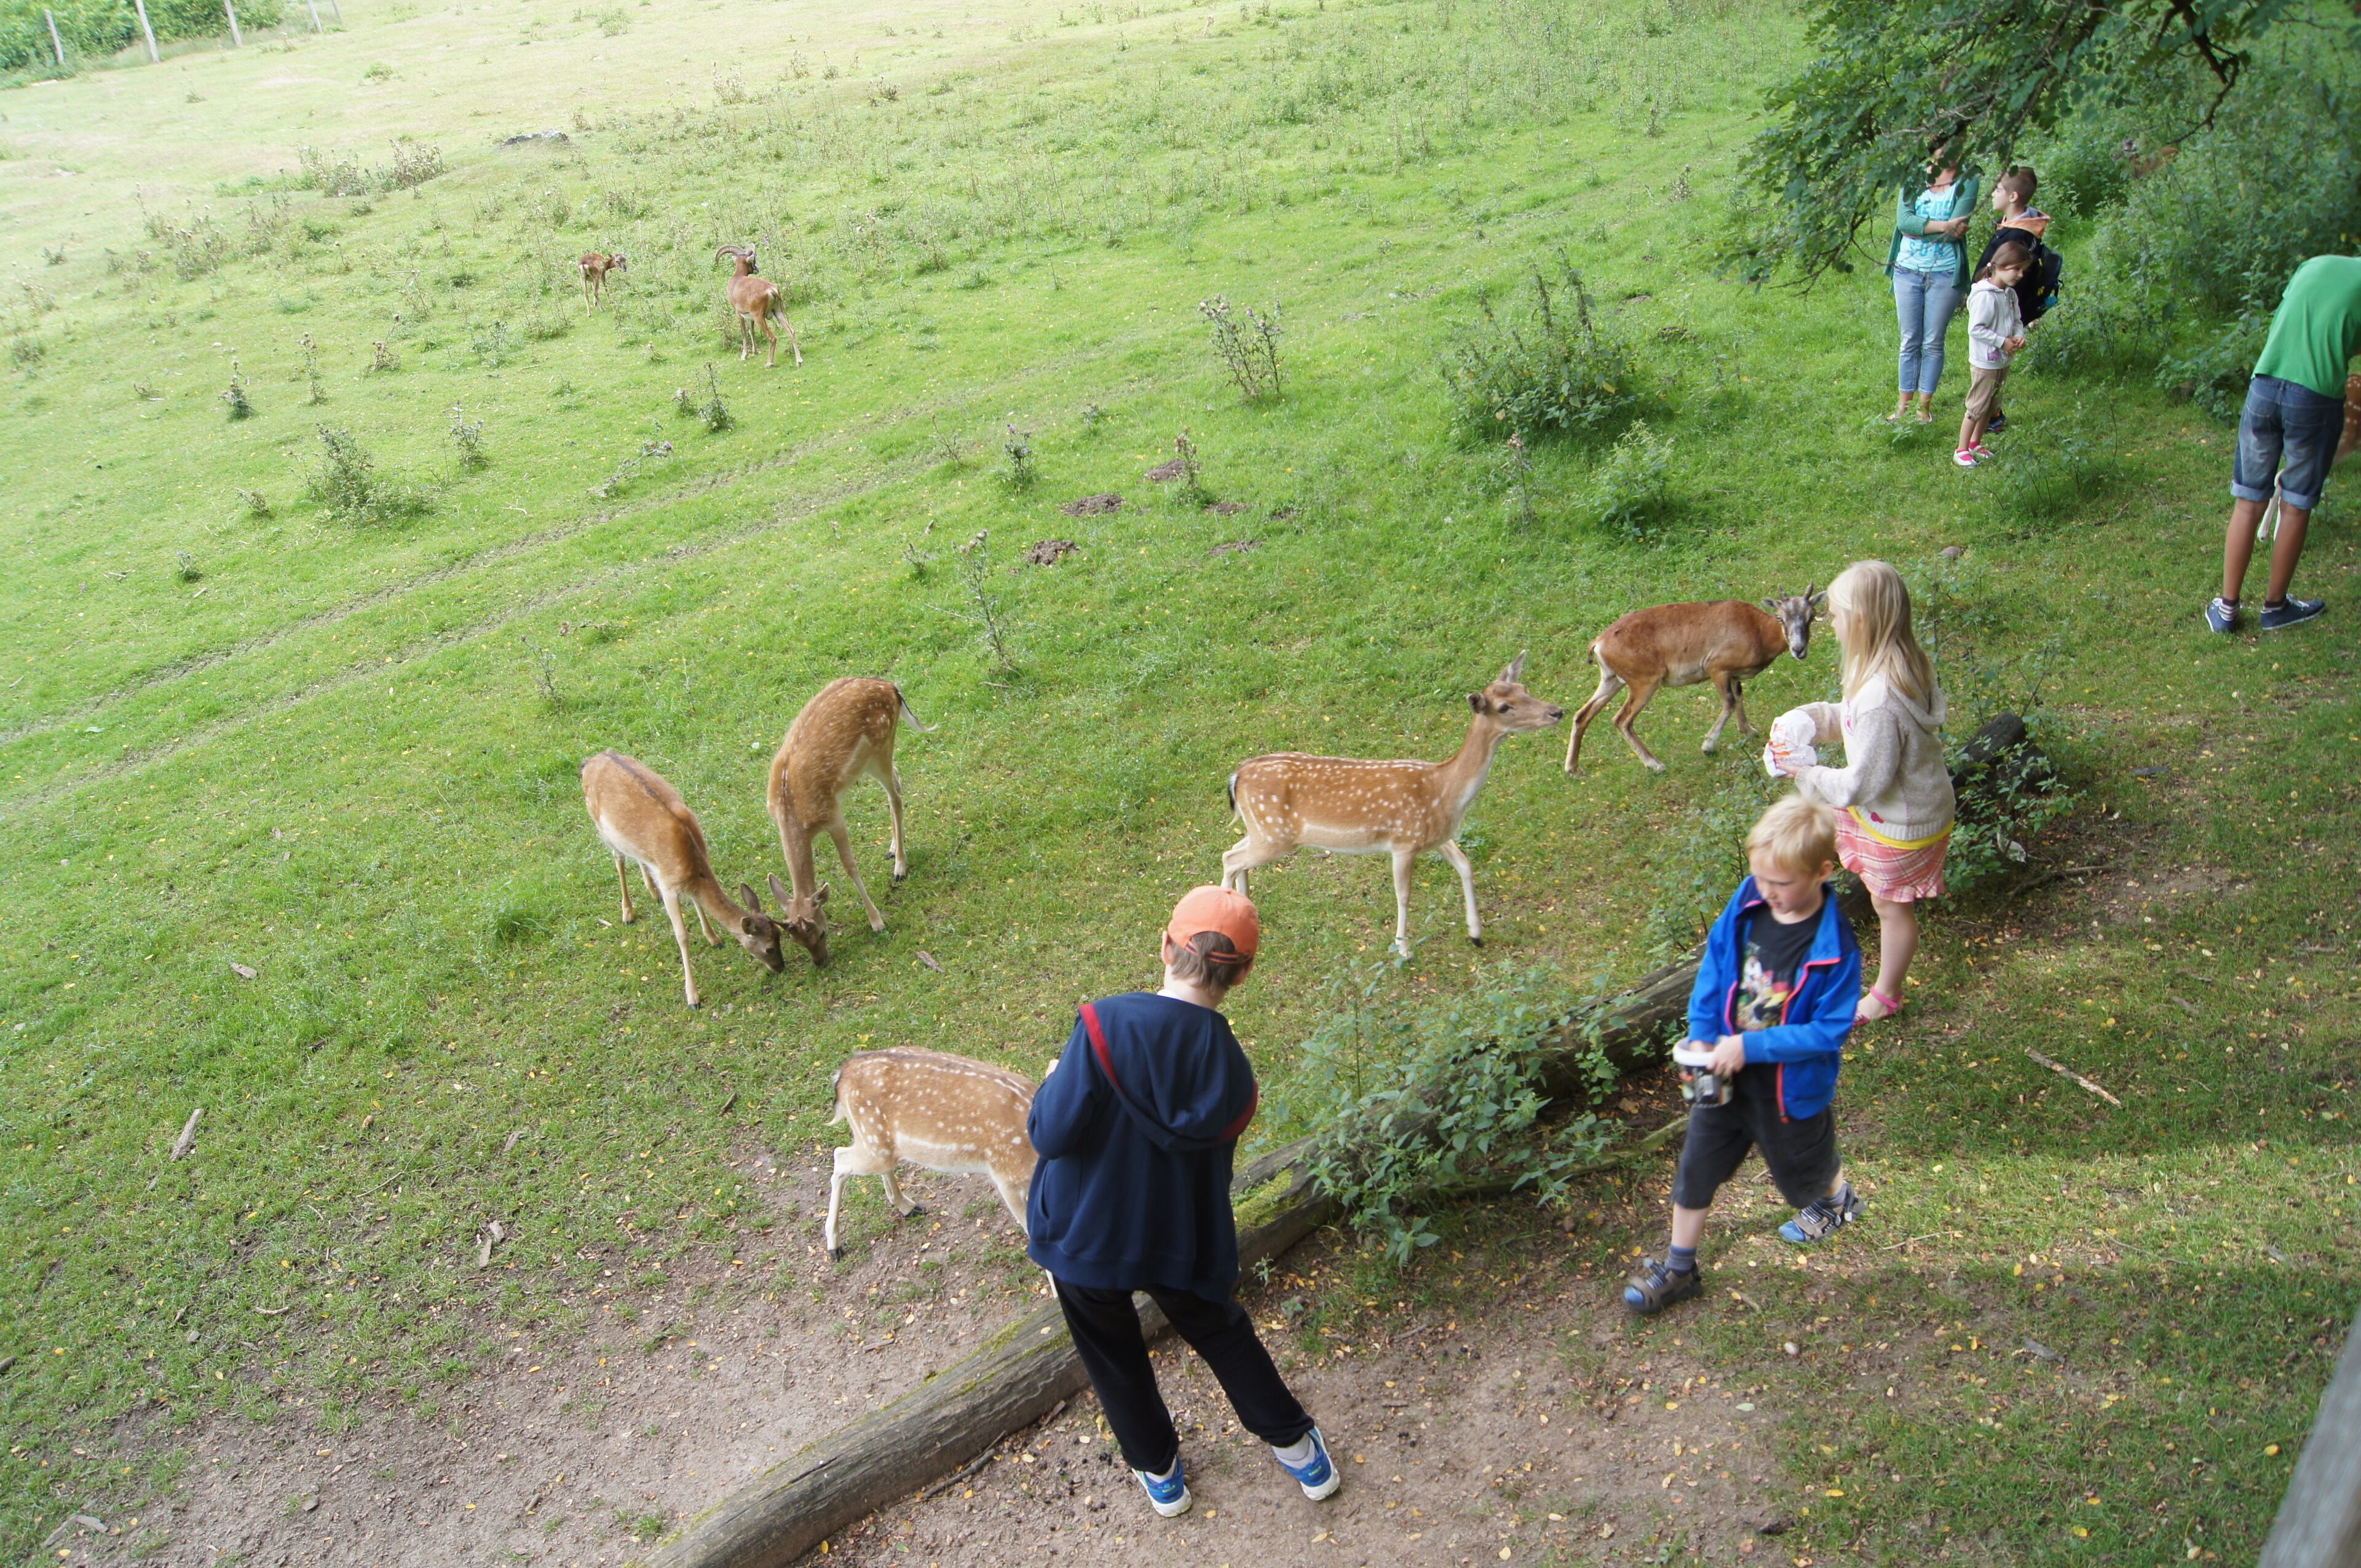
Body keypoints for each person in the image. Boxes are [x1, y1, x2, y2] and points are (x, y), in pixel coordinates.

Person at [1026, 885, 1341, 1519]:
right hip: (1181, 1239)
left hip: (1088, 1238)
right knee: (1221, 1332)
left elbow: (1050, 1134)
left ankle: (1160, 1472)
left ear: (1166, 947)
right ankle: (1298, 1449)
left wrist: (1058, 1079)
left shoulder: (1102, 1024)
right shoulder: (1235, 1072)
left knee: (1112, 1354)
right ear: (1244, 975)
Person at [1620, 795, 1864, 1316]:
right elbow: (1717, 960)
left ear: (1823, 871)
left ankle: (1838, 1199)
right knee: (1696, 1165)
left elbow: (1828, 1032)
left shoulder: (1837, 949)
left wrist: (1749, 1044)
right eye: (1761, 879)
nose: (1768, 892)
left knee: (1805, 1166)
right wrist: (1706, 1031)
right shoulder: (1750, 898)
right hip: (1724, 1075)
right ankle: (1680, 1268)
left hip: (1788, 1089)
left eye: (1782, 883)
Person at [1773, 560, 1953, 1022]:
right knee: (1817, 850)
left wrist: (1805, 774)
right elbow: (1854, 720)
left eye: (1833, 614)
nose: (1828, 623)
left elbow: (1860, 782)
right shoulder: (1894, 665)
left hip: (1903, 820)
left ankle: (1886, 995)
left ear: (1861, 620)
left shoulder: (1880, 696)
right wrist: (1810, 719)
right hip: (1904, 807)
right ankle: (1803, 927)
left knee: (1890, 906)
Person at [2207, 254, 2361, 635]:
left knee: (2249, 500)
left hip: (2264, 385)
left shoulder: (2315, 264)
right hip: (2315, 398)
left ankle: (2227, 609)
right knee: (2296, 503)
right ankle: (2275, 608)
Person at [1884, 155, 1982, 424]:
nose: (1953, 151)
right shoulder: (1914, 175)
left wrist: (1921, 227)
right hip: (1906, 270)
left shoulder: (1969, 179)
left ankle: (1923, 410)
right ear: (1935, 147)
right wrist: (1944, 227)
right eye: (1945, 145)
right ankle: (1903, 407)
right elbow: (1905, 223)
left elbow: (1956, 228)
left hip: (1945, 273)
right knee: (1909, 340)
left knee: (1933, 342)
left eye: (1959, 144)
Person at [1973, 167, 2060, 433]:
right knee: (1996, 366)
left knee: (1989, 368)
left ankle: (1988, 417)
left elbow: (2004, 274)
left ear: (2013, 197)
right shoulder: (2024, 224)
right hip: (2003, 309)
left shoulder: (2016, 235)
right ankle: (1992, 413)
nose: (1992, 195)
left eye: (1998, 190)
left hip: (2000, 311)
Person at [1956, 241, 2031, 467]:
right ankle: (1961, 450)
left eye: (2022, 270)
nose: (2019, 275)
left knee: (1992, 405)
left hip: (2002, 360)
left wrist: (2018, 336)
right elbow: (1976, 329)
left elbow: (2017, 320)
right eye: (2015, 269)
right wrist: (2002, 342)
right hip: (1985, 362)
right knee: (1977, 406)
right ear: (1999, 266)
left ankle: (1975, 444)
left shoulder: (2009, 295)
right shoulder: (1985, 296)